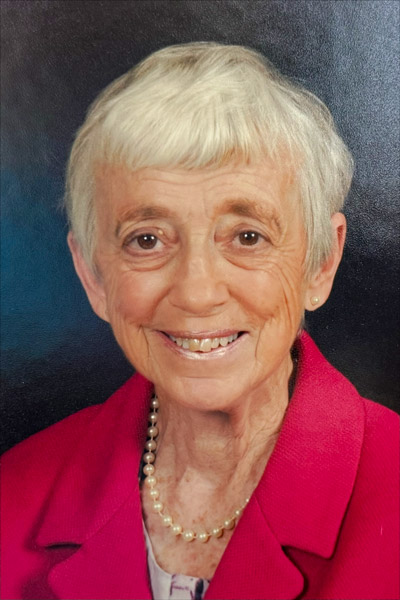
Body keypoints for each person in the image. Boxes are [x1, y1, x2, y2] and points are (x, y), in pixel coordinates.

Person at [1, 42, 398, 600]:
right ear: (93, 276)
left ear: (321, 262)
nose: (197, 293)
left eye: (247, 236)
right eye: (147, 240)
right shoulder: (13, 495)